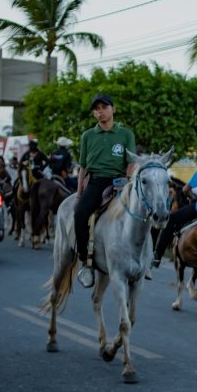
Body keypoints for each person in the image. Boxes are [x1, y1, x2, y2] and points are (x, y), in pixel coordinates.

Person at [75, 93, 137, 288]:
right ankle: (86, 263)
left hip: (122, 181)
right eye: (96, 109)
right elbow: (83, 167)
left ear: (113, 109)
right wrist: (79, 194)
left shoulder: (125, 134)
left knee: (145, 210)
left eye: (104, 107)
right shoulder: (88, 136)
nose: (100, 111)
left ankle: (145, 259)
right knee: (80, 214)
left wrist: (126, 181)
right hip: (97, 182)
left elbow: (131, 162)